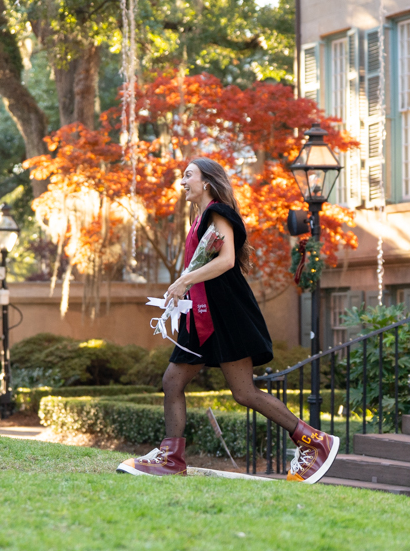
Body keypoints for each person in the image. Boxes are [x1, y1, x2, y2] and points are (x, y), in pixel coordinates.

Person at [117, 157, 339, 483]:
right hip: (203, 315)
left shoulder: (217, 212)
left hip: (224, 314)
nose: (183, 181)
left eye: (188, 175)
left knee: (239, 392)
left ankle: (314, 442)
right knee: (179, 382)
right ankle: (172, 458)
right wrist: (183, 293)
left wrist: (183, 282)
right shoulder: (198, 219)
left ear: (206, 181)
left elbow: (227, 259)